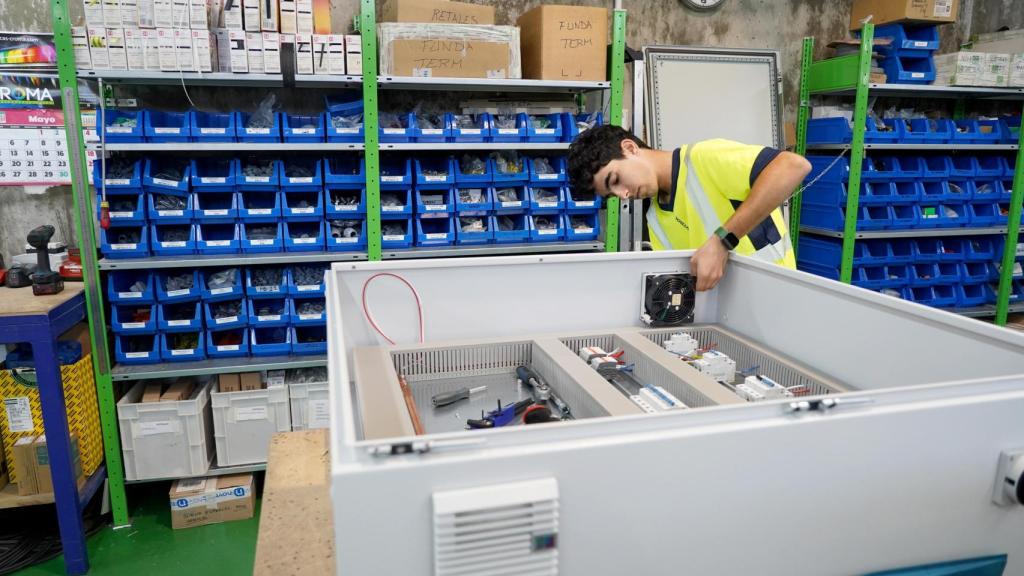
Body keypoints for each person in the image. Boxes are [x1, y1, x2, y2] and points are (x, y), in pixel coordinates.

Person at [567, 125, 811, 291]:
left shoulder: (701, 159)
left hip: (777, 297)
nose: (624, 195)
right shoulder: (655, 216)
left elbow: (793, 166)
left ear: (630, 148)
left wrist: (722, 241)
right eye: (612, 195)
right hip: (727, 322)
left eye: (616, 180)